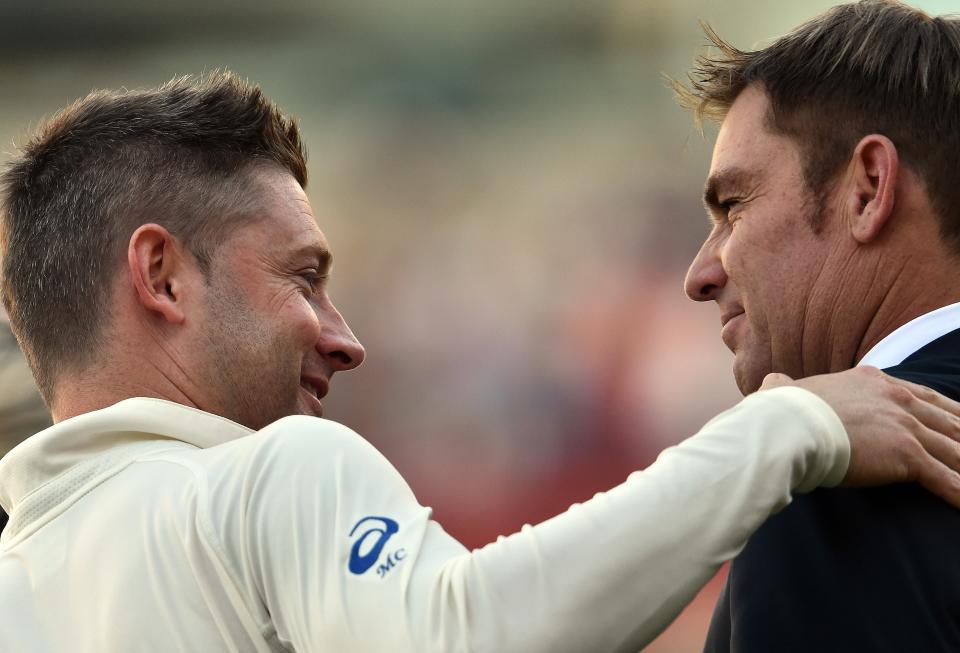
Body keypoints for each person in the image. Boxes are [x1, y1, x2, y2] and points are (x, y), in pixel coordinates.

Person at [0, 75, 958, 653]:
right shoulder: (267, 476)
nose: (344, 336)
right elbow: (467, 633)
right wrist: (789, 428)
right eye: (303, 277)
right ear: (161, 275)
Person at [677, 1, 960, 651]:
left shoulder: (825, 478)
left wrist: (786, 452)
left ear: (867, 188)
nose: (699, 274)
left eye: (733, 205)